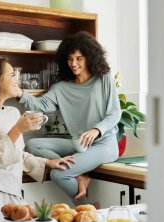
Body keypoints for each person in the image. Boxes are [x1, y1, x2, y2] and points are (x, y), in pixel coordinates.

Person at [0, 57, 74, 222]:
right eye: (12, 74)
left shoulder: (13, 112)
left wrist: (47, 162)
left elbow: (16, 154)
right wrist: (18, 129)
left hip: (11, 191)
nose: (17, 79)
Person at [16, 31, 121, 205]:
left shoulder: (104, 79)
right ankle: (80, 175)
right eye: (70, 59)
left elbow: (115, 113)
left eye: (79, 58)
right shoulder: (61, 88)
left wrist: (96, 130)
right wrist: (19, 92)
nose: (74, 63)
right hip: (78, 144)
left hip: (104, 144)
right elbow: (41, 105)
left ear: (90, 58)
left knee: (59, 174)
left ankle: (87, 210)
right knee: (32, 144)